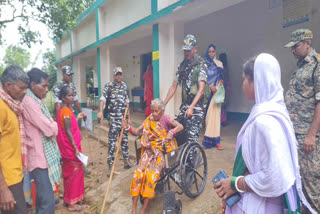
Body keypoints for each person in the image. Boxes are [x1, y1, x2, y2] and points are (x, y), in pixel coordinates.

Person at [213, 54, 316, 214]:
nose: (243, 85)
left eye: (244, 79)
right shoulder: (277, 112)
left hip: (260, 206)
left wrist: (236, 184)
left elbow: (275, 176)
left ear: (256, 82)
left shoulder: (265, 122)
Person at [122, 98, 183, 214]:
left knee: (150, 177)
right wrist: (127, 127)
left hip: (161, 153)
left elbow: (180, 126)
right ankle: (134, 210)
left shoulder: (166, 119)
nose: (153, 114)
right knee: (137, 175)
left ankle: (143, 211)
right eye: (152, 111)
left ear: (162, 111)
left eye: (156, 111)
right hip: (149, 151)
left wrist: (171, 132)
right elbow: (136, 132)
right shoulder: (149, 119)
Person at [284, 29, 320, 213]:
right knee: (300, 180)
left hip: (307, 136)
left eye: (296, 46)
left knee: (312, 181)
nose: (293, 50)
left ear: (307, 43)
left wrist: (311, 135)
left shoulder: (317, 65)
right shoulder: (301, 66)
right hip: (296, 133)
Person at [22, 68, 61, 214]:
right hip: (38, 159)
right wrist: (52, 124)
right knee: (47, 203)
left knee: (42, 200)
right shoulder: (29, 102)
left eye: (47, 86)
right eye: (43, 86)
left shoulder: (36, 101)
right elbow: (50, 129)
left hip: (42, 157)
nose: (46, 90)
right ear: (32, 84)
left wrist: (51, 124)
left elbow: (49, 124)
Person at [164, 34, 207, 144]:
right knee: (175, 134)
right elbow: (174, 86)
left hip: (196, 109)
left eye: (189, 50)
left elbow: (201, 89)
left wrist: (192, 107)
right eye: (185, 50)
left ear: (195, 49)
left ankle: (192, 160)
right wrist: (163, 105)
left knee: (190, 141)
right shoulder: (182, 66)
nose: (186, 53)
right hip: (184, 108)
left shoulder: (201, 65)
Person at [0, 66, 29, 214]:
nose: (25, 92)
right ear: (8, 86)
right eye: (22, 88)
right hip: (7, 181)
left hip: (15, 177)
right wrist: (3, 188)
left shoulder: (12, 106)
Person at [56, 86, 86, 212]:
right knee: (75, 173)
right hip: (70, 148)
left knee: (69, 173)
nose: (72, 97)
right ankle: (72, 204)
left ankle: (69, 198)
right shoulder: (66, 112)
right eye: (69, 95)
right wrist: (75, 147)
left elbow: (66, 126)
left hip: (67, 147)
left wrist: (78, 118)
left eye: (73, 95)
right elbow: (68, 131)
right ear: (63, 97)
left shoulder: (64, 110)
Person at [97, 67, 132, 177]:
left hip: (123, 120)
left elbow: (127, 102)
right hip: (113, 119)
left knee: (124, 142)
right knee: (112, 143)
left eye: (120, 74)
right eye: (117, 74)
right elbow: (103, 98)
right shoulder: (109, 85)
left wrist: (129, 118)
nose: (119, 76)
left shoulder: (124, 86)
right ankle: (110, 167)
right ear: (114, 76)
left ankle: (126, 161)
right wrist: (100, 111)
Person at [202, 44, 224, 150]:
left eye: (213, 51)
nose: (211, 53)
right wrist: (210, 86)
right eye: (209, 51)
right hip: (208, 93)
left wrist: (219, 85)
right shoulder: (204, 64)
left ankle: (216, 141)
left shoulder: (219, 63)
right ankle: (208, 141)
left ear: (215, 52)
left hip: (217, 92)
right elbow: (202, 78)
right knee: (209, 117)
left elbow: (222, 77)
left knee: (216, 117)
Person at [219, 53, 230, 126]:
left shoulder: (220, 68)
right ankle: (223, 120)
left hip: (221, 88)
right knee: (224, 106)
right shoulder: (226, 69)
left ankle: (221, 120)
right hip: (227, 88)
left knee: (220, 106)